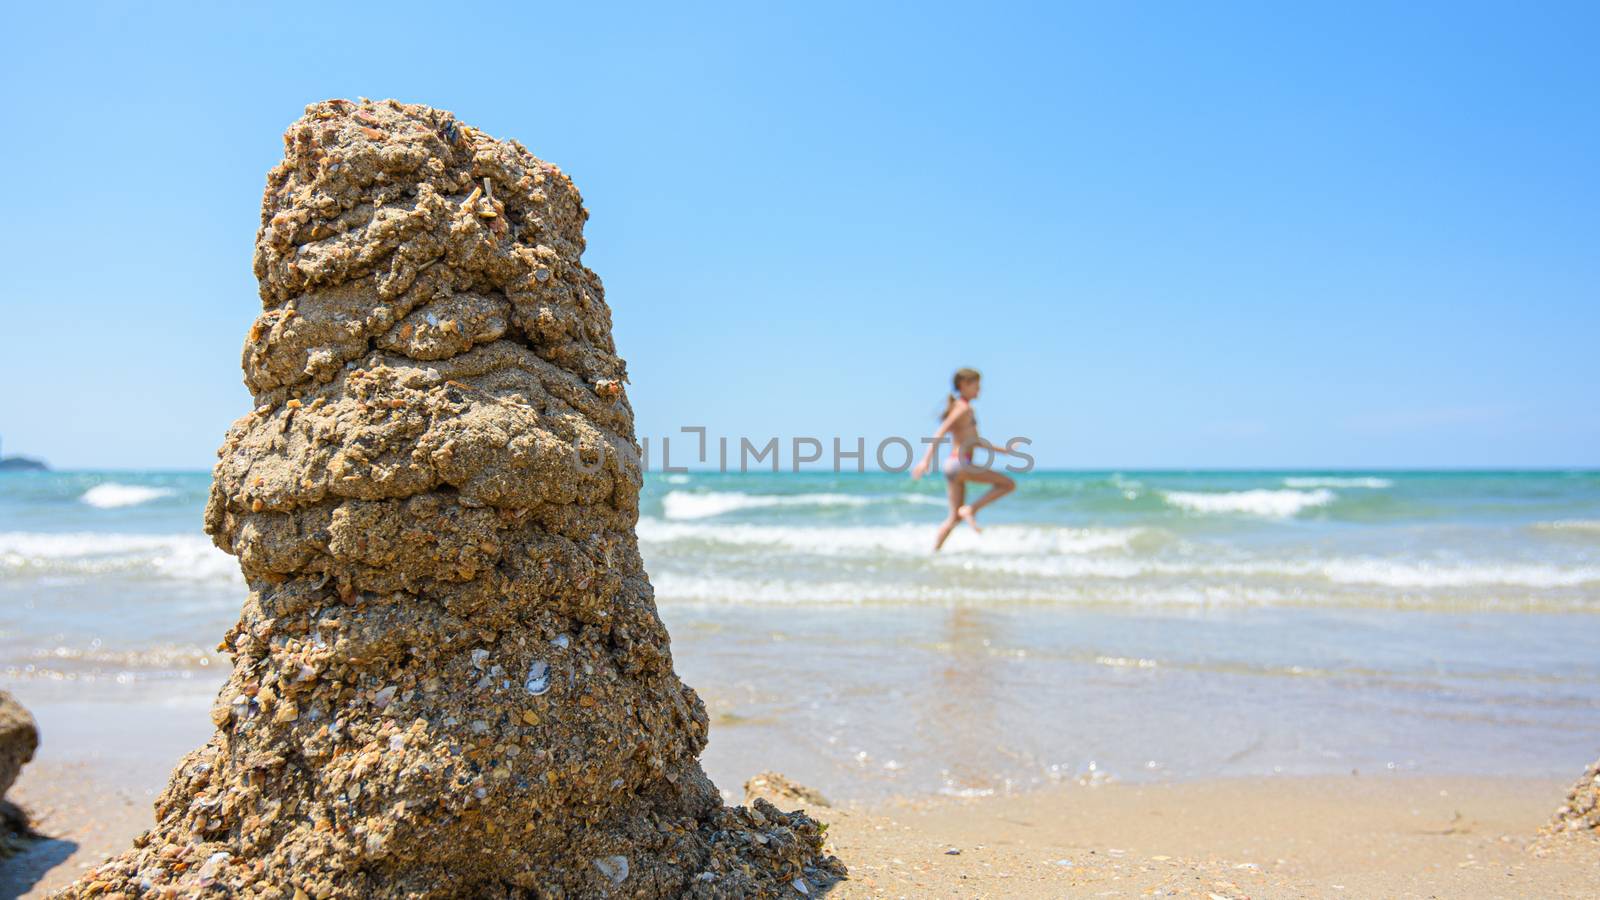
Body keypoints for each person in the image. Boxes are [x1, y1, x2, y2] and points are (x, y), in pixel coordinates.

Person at [911, 367, 1022, 551]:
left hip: (952, 466)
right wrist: (925, 460)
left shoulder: (960, 407)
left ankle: (933, 553)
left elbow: (975, 441)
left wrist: (1004, 451)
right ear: (963, 385)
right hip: (961, 464)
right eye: (976, 386)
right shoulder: (963, 408)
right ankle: (971, 509)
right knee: (1008, 484)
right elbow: (940, 432)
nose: (979, 390)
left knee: (953, 518)